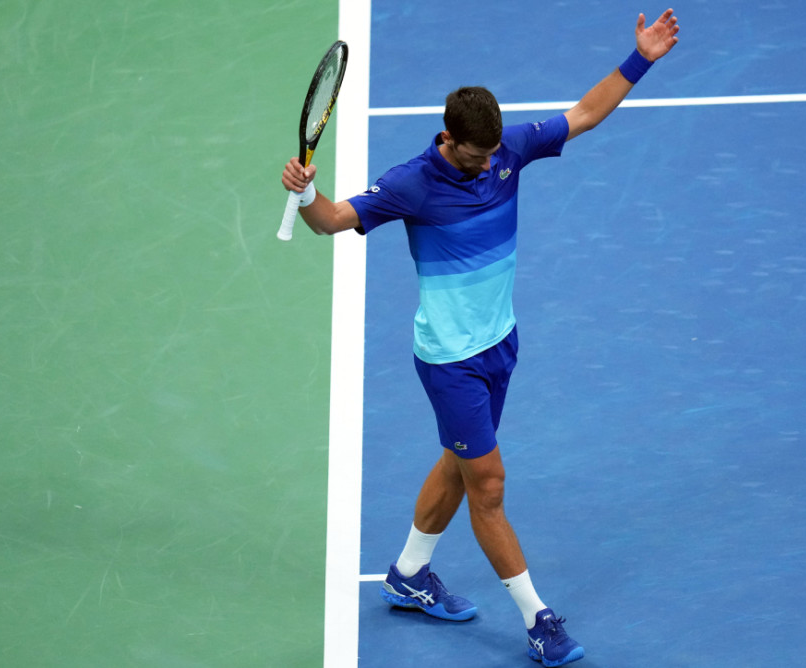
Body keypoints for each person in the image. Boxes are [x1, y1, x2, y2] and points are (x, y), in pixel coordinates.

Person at [282, 10, 679, 666]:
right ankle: (538, 621)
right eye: (476, 152)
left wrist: (640, 60)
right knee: (488, 483)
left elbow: (582, 114)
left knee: (458, 465)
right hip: (451, 362)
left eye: (494, 150)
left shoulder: (507, 149)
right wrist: (305, 192)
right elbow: (333, 221)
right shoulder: (411, 184)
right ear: (449, 139)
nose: (489, 160)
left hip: (500, 344)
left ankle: (409, 574)